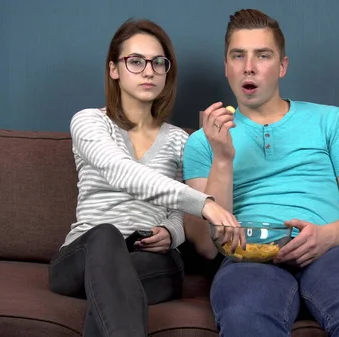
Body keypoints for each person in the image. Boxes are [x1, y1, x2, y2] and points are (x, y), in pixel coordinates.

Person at [182, 9, 339, 337]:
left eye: (262, 56)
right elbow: (207, 246)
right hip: (249, 261)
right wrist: (222, 158)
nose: (249, 67)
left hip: (334, 252)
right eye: (238, 56)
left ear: (282, 66)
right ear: (226, 66)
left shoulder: (331, 121)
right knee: (245, 319)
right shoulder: (202, 141)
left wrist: (326, 237)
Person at [48, 18, 240, 337]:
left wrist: (170, 232)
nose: (149, 71)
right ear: (114, 69)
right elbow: (121, 172)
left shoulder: (180, 140)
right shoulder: (89, 122)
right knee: (105, 235)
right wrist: (205, 204)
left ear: (167, 72)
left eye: (158, 63)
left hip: (151, 261)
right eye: (135, 61)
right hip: (85, 255)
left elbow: (177, 214)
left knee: (117, 284)